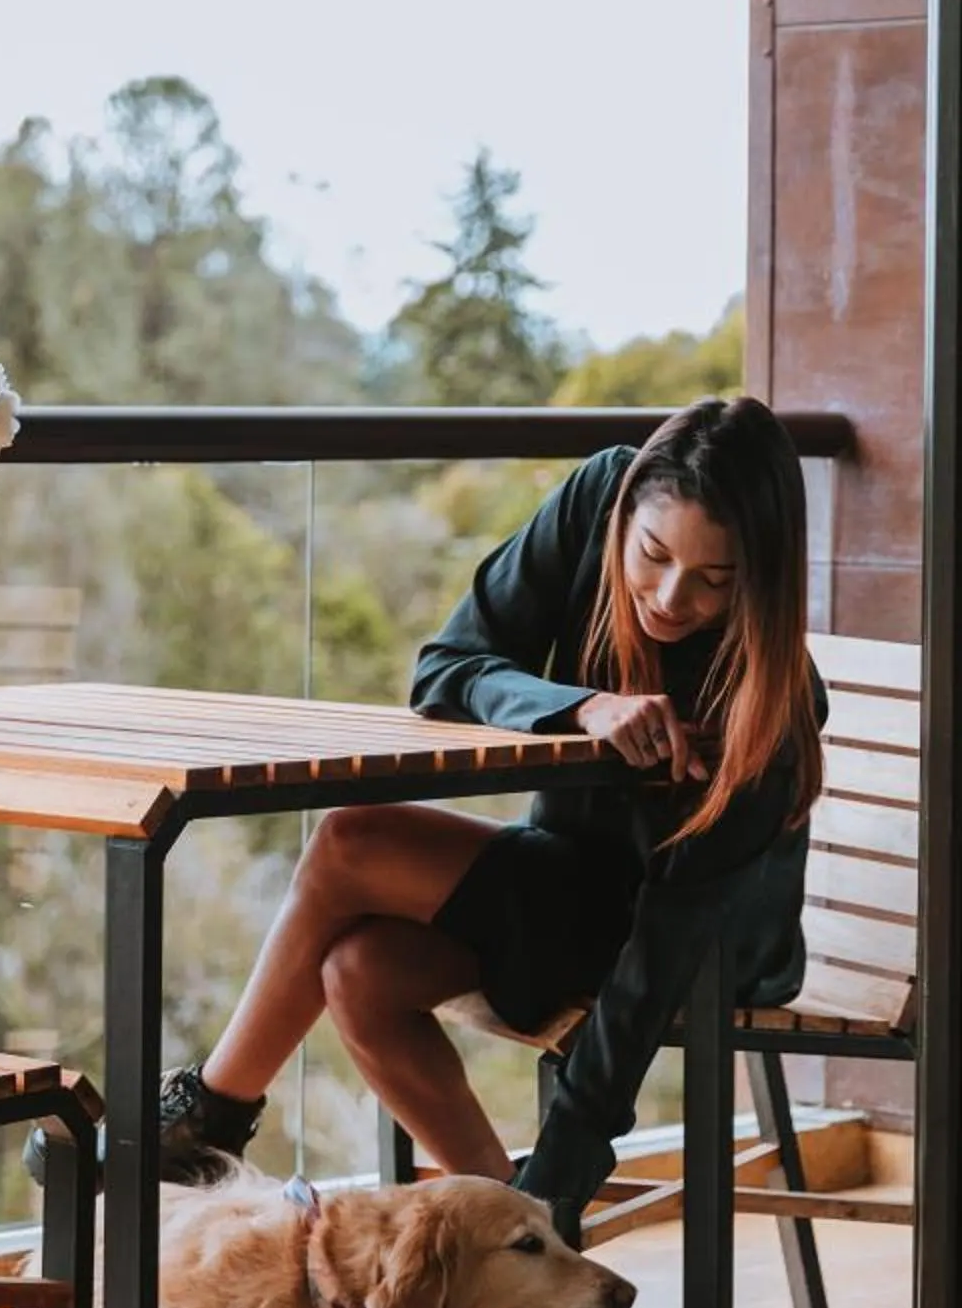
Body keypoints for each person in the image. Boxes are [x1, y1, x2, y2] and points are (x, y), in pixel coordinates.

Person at [156, 396, 825, 1214]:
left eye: (714, 580)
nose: (670, 596)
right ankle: (513, 1235)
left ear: (758, 579)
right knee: (359, 972)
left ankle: (207, 1122)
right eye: (652, 554)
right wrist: (582, 707)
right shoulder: (598, 496)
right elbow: (448, 667)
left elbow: (660, 959)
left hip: (703, 946)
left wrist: (566, 1174)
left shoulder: (772, 707)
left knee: (352, 843)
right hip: (573, 887)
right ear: (626, 516)